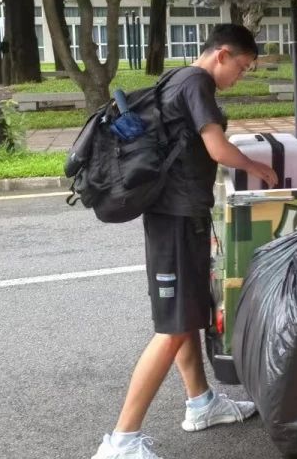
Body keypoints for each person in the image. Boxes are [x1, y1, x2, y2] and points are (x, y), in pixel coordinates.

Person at [92, 24, 278, 459]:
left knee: (186, 315)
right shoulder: (197, 82)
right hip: (175, 218)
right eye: (242, 68)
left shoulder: (175, 77)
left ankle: (202, 403)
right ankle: (121, 441)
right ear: (222, 54)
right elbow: (217, 148)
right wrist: (258, 168)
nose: (240, 77)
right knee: (173, 328)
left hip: (177, 215)